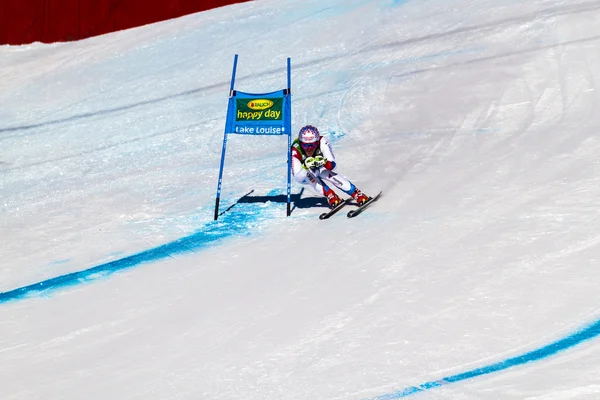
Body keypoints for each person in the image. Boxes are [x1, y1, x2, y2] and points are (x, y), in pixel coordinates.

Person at [291, 125, 370, 208]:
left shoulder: (322, 142)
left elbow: (333, 165)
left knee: (325, 173)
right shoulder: (295, 149)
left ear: (317, 142)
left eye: (313, 145)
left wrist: (324, 162)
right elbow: (298, 177)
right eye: (305, 145)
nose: (309, 149)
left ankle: (356, 193)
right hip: (304, 174)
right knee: (309, 176)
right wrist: (305, 167)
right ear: (300, 143)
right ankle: (330, 195)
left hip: (318, 169)